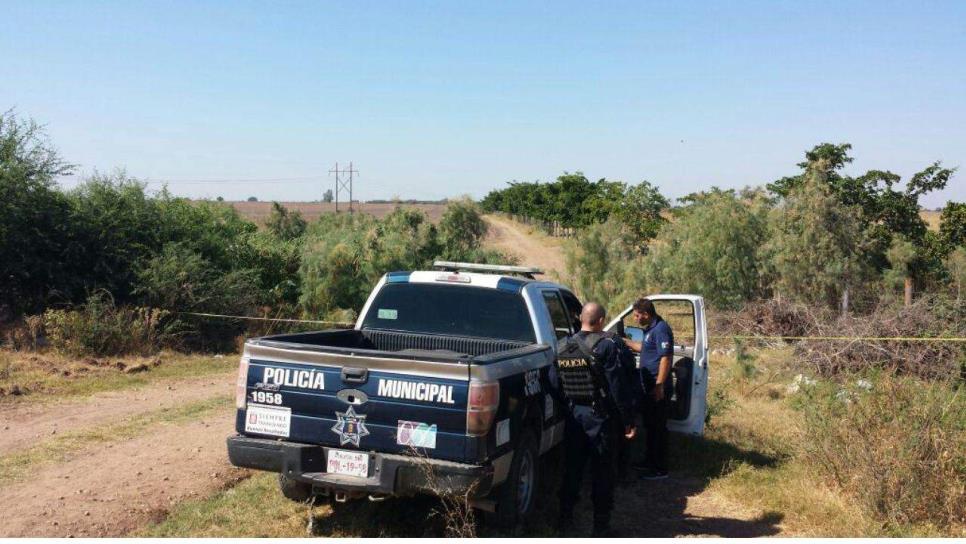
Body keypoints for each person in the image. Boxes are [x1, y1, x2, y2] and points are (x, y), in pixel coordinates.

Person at [550, 302, 637, 536]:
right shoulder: (606, 346)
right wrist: (628, 420)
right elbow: (618, 388)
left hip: (574, 418)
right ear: (600, 321)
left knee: (572, 469)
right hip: (600, 419)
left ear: (581, 319)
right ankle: (600, 528)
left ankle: (564, 520)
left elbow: (554, 384)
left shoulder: (561, 347)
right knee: (603, 473)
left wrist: (568, 406)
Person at [623, 298, 674, 480]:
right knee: (651, 426)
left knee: (658, 428)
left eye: (637, 316)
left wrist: (660, 384)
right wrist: (624, 342)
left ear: (646, 314)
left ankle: (660, 469)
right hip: (649, 387)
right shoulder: (650, 330)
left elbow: (666, 358)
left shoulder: (661, 329)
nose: (635, 319)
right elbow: (644, 348)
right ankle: (649, 462)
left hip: (657, 386)